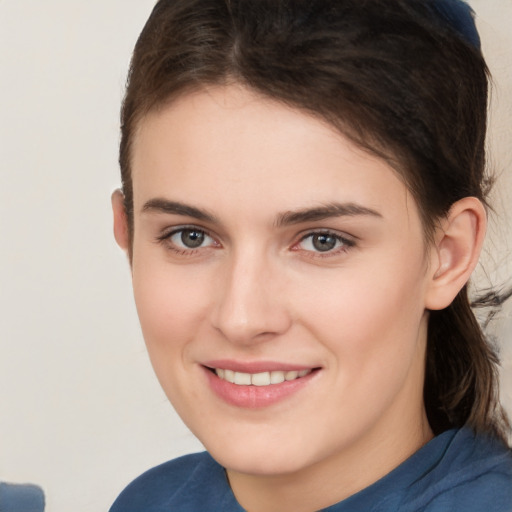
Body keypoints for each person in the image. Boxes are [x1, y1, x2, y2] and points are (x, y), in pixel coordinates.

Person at [109, 0, 512, 510]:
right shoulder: (150, 501)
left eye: (323, 240)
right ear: (126, 233)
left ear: (448, 254)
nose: (241, 317)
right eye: (190, 236)